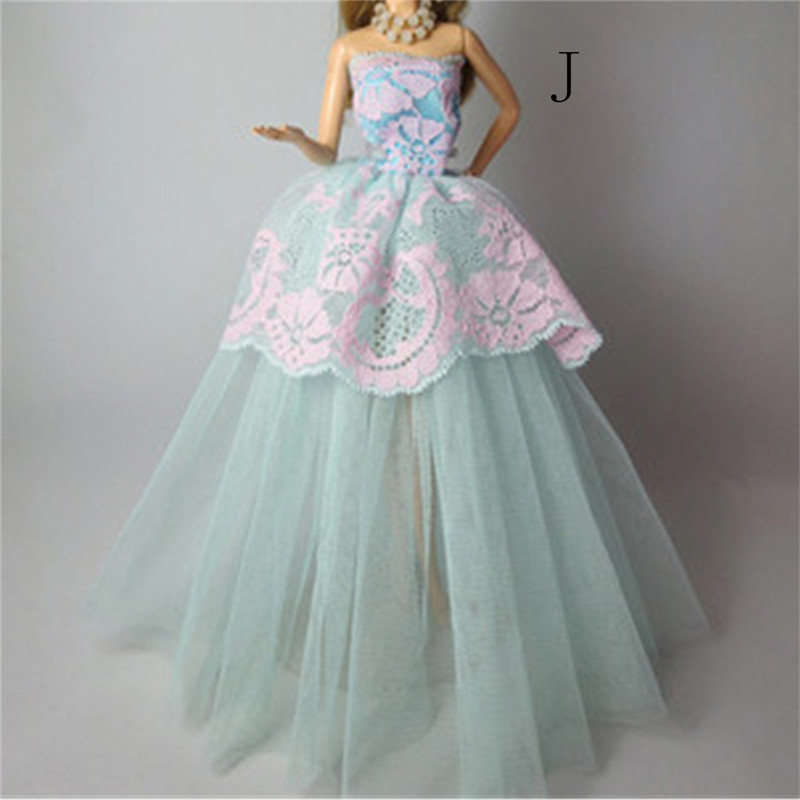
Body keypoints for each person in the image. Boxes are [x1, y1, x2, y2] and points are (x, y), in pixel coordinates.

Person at [78, 2, 711, 796]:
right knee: (354, 385)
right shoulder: (351, 47)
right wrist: (299, 142)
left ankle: (445, 574)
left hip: (437, 220)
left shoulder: (456, 39)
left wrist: (471, 174)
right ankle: (388, 572)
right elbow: (328, 145)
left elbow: (511, 107)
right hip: (363, 215)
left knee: (457, 387)